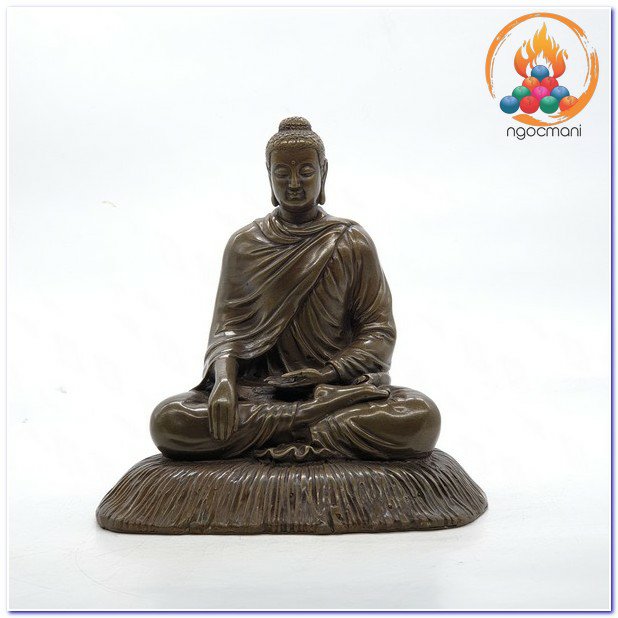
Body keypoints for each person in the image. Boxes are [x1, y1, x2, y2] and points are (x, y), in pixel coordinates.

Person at [150, 117, 440, 462]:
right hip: (263, 394)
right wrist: (225, 383)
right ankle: (313, 421)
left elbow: (378, 332)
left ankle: (292, 424)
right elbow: (227, 335)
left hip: (335, 388)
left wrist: (328, 373)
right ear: (268, 176)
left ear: (324, 173)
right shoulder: (245, 245)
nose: (293, 184)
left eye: (305, 171)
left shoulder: (351, 242)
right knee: (169, 420)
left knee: (420, 416)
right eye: (282, 173)